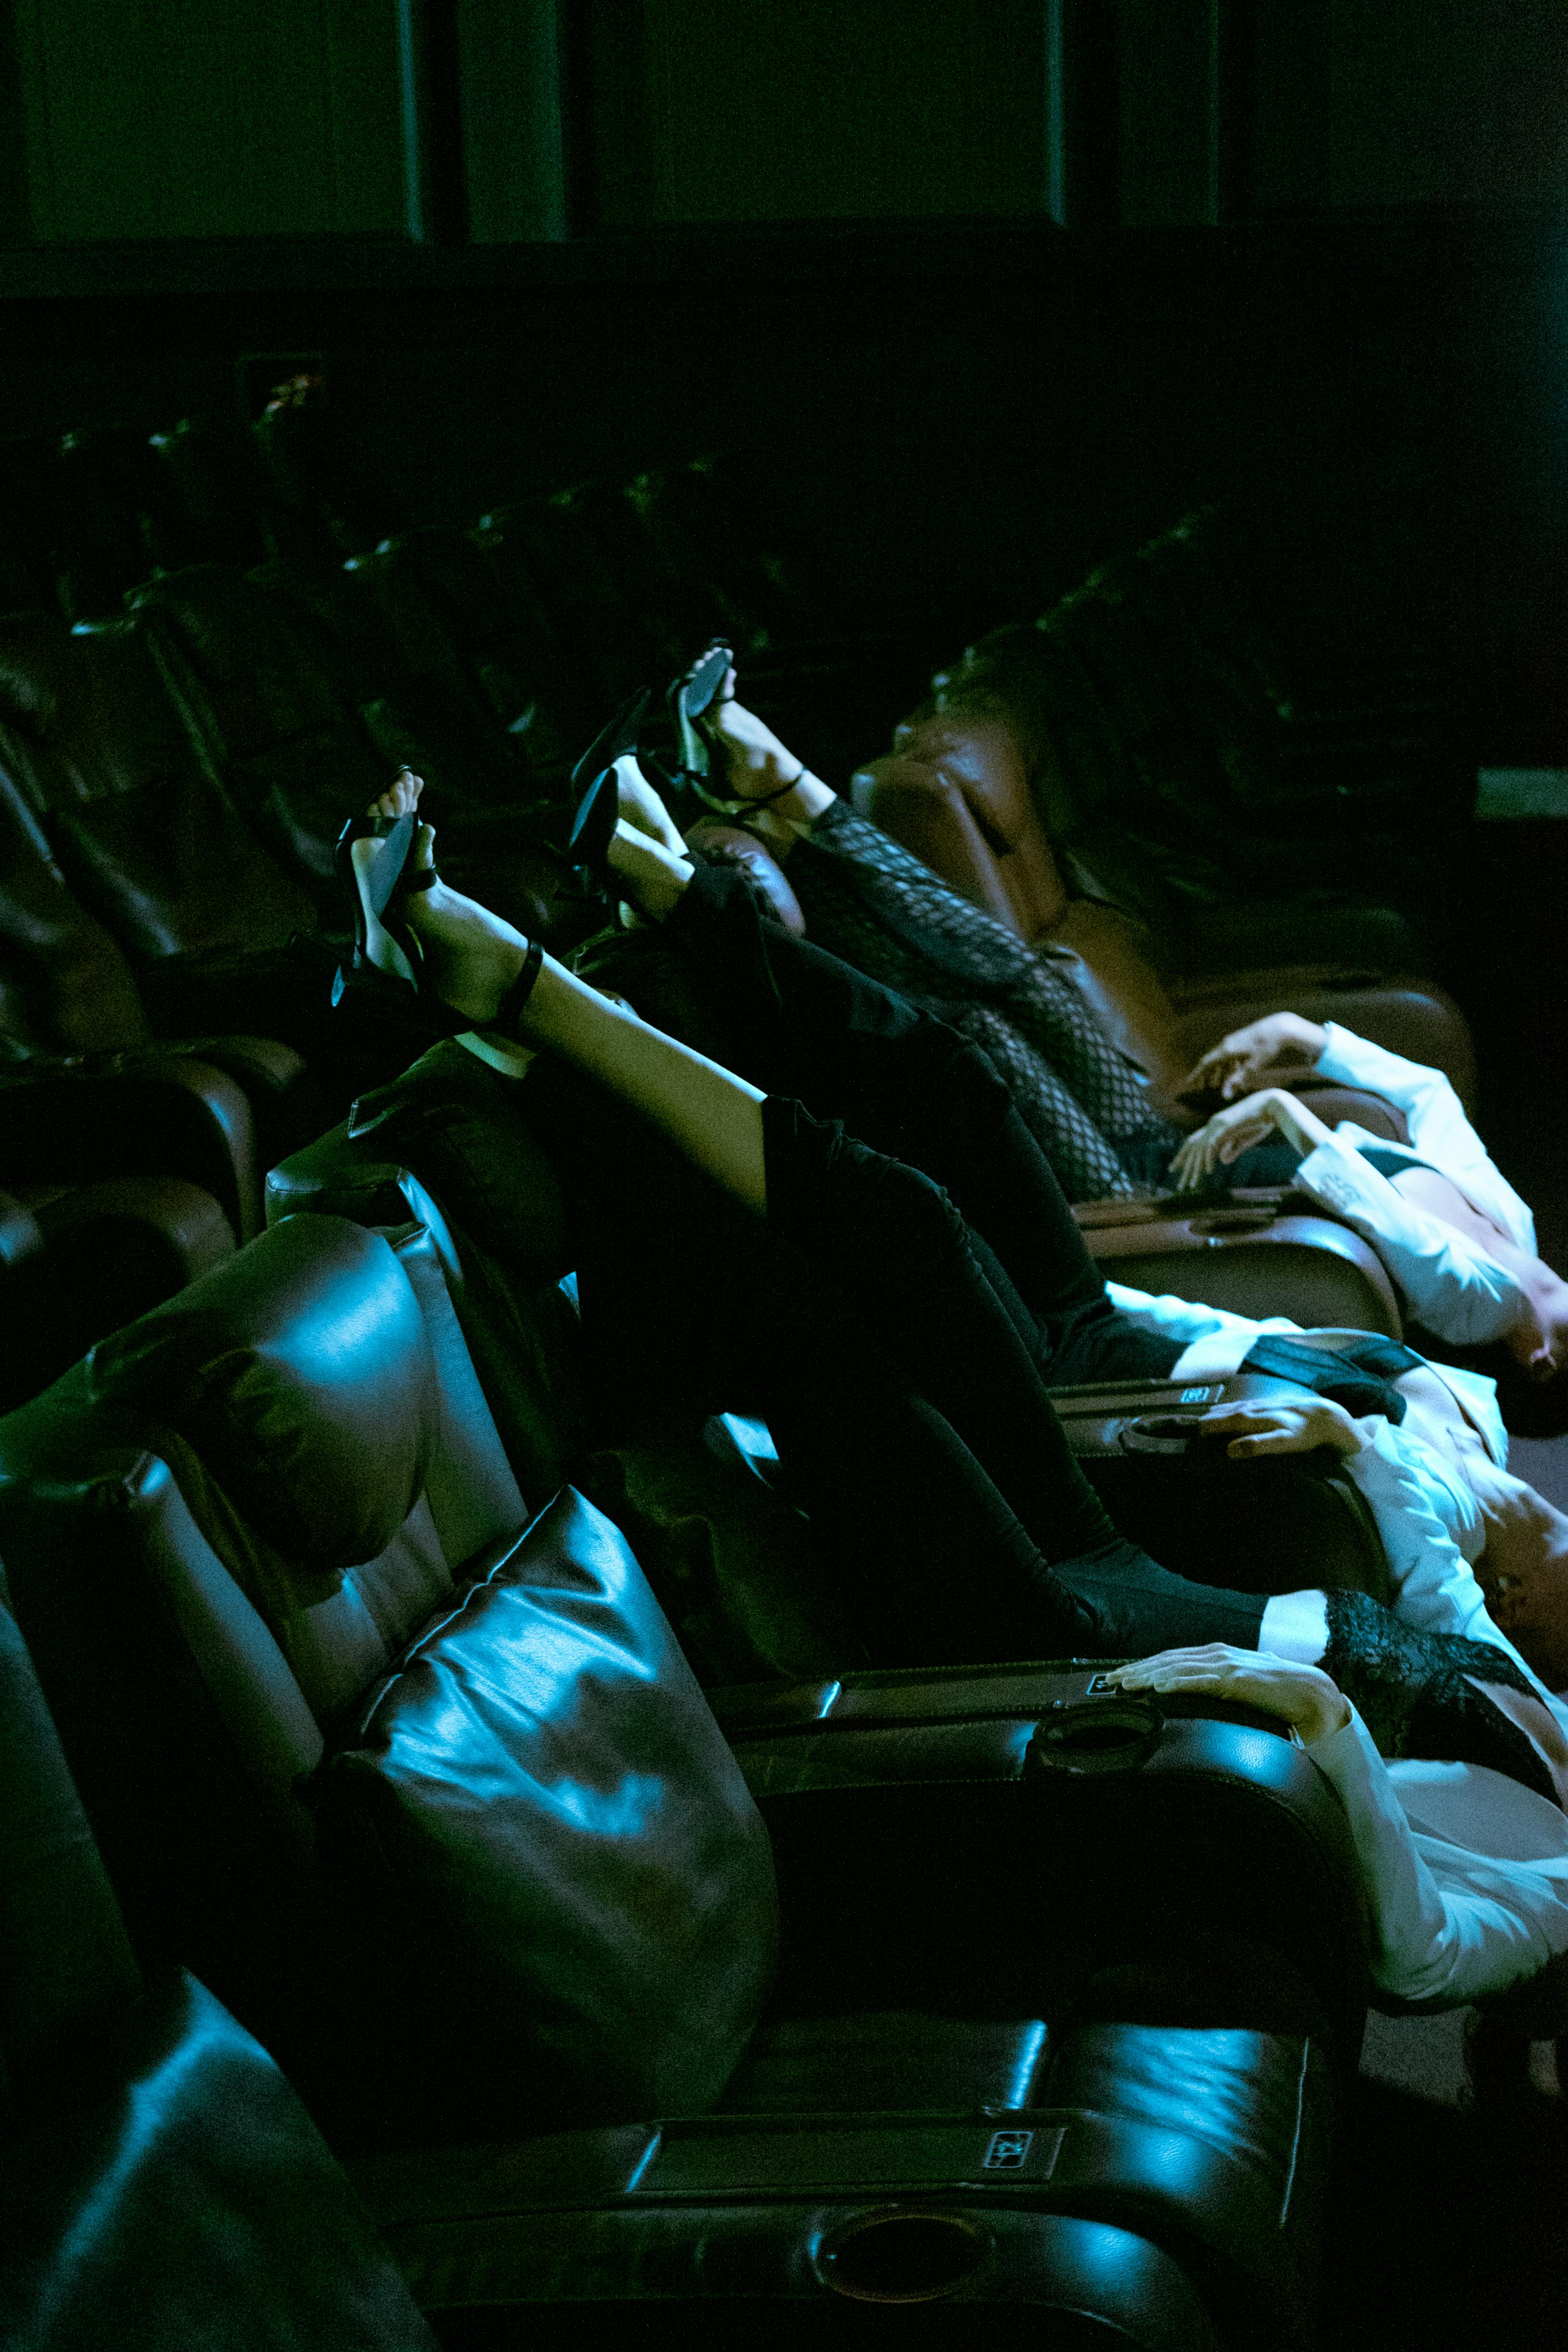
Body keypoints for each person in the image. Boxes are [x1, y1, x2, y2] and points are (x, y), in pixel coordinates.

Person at [338, 771, 1568, 1821]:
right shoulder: (1492, 1578)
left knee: (823, 1297)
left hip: (1063, 1638)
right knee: (899, 1196)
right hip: (1101, 1542)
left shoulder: (1497, 1677)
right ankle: (517, 1006)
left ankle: (499, 1005)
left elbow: (1416, 1935)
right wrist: (1371, 1405)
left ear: (1525, 1602)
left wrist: (1355, 1442)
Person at [1107, 1644, 1568, 2005]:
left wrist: (1323, 1708)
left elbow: (1422, 1961)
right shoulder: (1558, 1716)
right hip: (1262, 1693)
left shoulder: (1558, 1895)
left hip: (1244, 1785)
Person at [1169, 1014, 1568, 1413]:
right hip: (1244, 1149)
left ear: (1542, 1362)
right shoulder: (1518, 1228)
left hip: (1223, 1184)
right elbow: (1431, 1095)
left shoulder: (1475, 1309)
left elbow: (1371, 1203)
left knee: (1125, 1139)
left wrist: (1280, 1108)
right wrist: (1297, 1034)